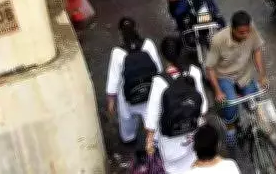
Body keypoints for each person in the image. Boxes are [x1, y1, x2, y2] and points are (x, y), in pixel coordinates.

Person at [145, 36, 207, 174]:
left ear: (164, 56)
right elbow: (203, 107)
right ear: (181, 51)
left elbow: (152, 115)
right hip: (194, 136)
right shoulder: (194, 72)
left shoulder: (160, 81)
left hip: (171, 144)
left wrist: (149, 140)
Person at [105, 17, 162, 145]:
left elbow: (113, 78)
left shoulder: (118, 52)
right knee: (152, 120)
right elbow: (158, 69)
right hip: (149, 94)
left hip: (128, 98)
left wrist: (111, 102)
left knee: (127, 122)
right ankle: (155, 143)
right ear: (136, 28)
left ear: (120, 32)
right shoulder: (148, 44)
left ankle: (129, 139)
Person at [205, 11, 267, 124]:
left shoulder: (251, 31)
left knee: (255, 102)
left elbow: (257, 50)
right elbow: (210, 68)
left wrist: (262, 75)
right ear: (232, 29)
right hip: (224, 76)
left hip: (244, 75)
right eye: (241, 33)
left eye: (248, 32)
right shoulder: (218, 40)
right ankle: (230, 126)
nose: (246, 35)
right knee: (230, 107)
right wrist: (218, 92)